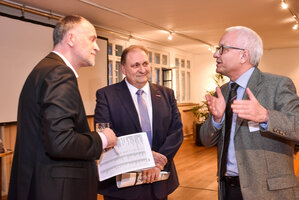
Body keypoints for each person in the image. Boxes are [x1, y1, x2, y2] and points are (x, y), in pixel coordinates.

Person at [8, 15, 117, 200]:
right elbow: (61, 142)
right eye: (92, 39)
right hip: (56, 190)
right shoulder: (60, 73)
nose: (97, 47)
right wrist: (103, 139)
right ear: (71, 38)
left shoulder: (44, 69)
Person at [199, 26, 299, 200]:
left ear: (243, 55)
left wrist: (266, 117)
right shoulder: (222, 91)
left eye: (222, 48)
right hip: (228, 190)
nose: (216, 54)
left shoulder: (277, 85)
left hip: (269, 193)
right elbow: (206, 140)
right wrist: (216, 119)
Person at [94, 45, 183, 200]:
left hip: (158, 179)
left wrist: (158, 163)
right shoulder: (106, 95)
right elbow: (107, 135)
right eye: (135, 65)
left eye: (145, 64)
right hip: (122, 185)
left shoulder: (167, 94)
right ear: (123, 69)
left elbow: (176, 131)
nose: (142, 70)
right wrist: (145, 158)